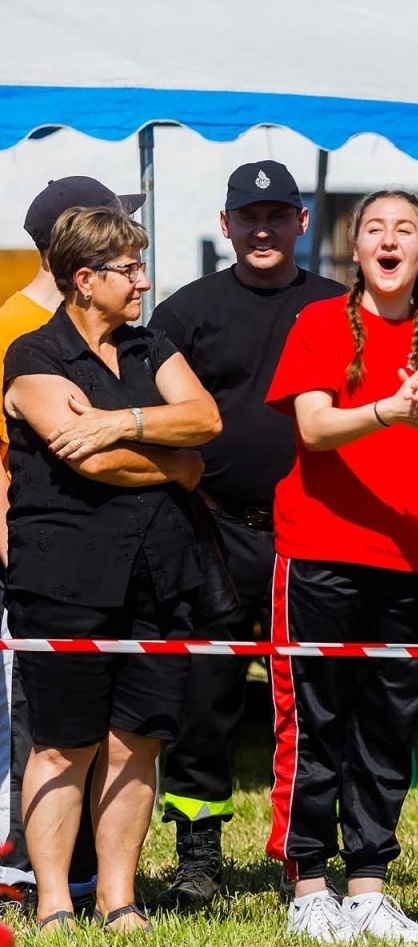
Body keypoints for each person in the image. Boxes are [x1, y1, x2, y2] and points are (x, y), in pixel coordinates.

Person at [265, 189, 418, 944]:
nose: (389, 241)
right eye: (375, 229)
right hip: (319, 550)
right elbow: (315, 427)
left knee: (386, 725)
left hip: (407, 557)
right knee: (315, 720)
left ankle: (369, 887)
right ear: (355, 251)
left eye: (406, 230)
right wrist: (391, 407)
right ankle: (309, 882)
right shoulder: (320, 323)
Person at [6, 205, 220, 933]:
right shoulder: (32, 356)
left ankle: (118, 898)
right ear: (84, 279)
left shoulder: (151, 346)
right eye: (129, 268)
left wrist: (119, 420)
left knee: (138, 738)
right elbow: (84, 458)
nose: (143, 280)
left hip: (160, 573)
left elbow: (206, 419)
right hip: (62, 573)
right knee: (63, 743)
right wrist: (176, 466)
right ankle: (57, 903)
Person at [145, 160, 345, 912]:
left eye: (277, 214)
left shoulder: (337, 307)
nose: (262, 229)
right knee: (204, 701)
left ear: (301, 222)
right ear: (225, 226)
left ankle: (311, 852)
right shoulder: (185, 312)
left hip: (316, 535)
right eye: (248, 216)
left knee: (319, 697)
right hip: (214, 533)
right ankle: (198, 855)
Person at [0, 176, 142, 909]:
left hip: (115, 553)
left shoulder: (128, 335)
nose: (135, 265)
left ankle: (87, 874)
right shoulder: (19, 328)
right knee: (42, 722)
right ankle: (30, 870)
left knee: (113, 722)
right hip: (42, 548)